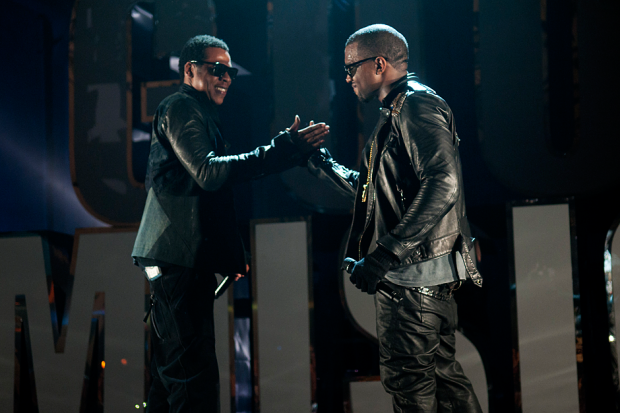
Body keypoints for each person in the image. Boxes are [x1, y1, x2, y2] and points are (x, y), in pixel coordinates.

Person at [131, 34, 328, 412]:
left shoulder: (197, 113)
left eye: (231, 71)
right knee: (193, 382)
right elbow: (209, 174)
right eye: (217, 69)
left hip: (182, 259)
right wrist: (280, 150)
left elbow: (199, 189)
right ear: (190, 70)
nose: (226, 77)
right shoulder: (181, 108)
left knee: (171, 379)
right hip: (178, 261)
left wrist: (227, 251)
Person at [307, 25, 483, 412]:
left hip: (412, 286)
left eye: (351, 67)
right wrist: (320, 163)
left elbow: (444, 181)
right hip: (423, 283)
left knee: (413, 390)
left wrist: (386, 254)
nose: (348, 77)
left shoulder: (416, 106)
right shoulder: (402, 108)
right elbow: (375, 192)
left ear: (380, 64)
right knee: (446, 387)